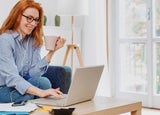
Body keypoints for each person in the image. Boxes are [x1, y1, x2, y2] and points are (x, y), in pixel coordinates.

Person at [0, 0, 66, 103]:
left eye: (36, 20)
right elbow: (12, 78)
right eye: (29, 18)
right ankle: (31, 96)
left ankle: (29, 97)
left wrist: (52, 52)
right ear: (17, 16)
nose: (33, 23)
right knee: (40, 89)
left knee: (44, 83)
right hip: (3, 88)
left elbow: (33, 74)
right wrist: (41, 93)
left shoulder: (32, 40)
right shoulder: (5, 40)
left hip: (20, 85)